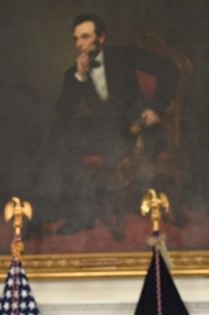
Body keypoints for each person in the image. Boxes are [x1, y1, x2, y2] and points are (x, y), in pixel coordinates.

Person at [32, 13, 179, 239]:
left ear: (101, 37)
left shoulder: (125, 56)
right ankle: (62, 212)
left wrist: (155, 108)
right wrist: (80, 76)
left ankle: (60, 213)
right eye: (76, 39)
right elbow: (64, 112)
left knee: (66, 138)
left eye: (85, 37)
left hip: (136, 130)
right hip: (105, 133)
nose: (79, 44)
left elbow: (170, 69)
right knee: (59, 132)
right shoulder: (74, 73)